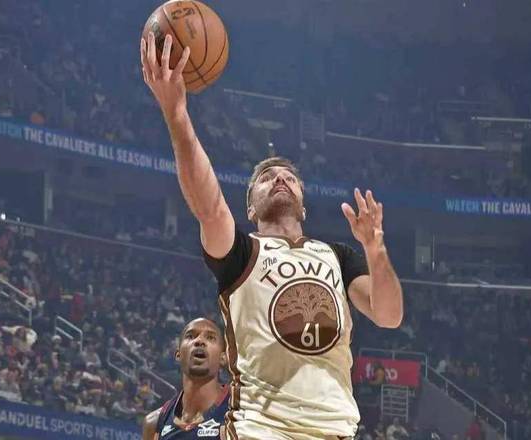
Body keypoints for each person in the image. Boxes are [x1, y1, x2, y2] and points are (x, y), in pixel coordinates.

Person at [141, 33, 404, 440]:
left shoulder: (337, 255)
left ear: (303, 206)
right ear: (250, 208)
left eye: (289, 177)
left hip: (333, 430)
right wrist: (177, 114)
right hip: (259, 430)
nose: (280, 178)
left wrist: (376, 248)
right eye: (267, 177)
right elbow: (209, 205)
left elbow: (389, 315)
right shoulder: (241, 252)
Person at [142, 318, 229, 440]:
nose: (199, 341)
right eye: (190, 336)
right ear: (178, 354)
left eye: (210, 338)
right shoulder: (155, 423)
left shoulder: (240, 412)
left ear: (223, 358)